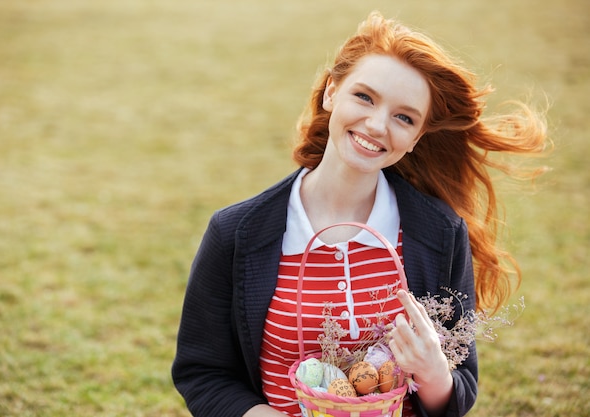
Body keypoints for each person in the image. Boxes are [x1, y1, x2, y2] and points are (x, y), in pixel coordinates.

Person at [172, 11, 548, 417]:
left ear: (417, 137)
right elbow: (203, 372)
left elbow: (459, 390)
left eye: (404, 117)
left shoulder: (438, 233)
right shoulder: (237, 232)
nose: (376, 125)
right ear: (331, 92)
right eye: (364, 97)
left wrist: (435, 371)